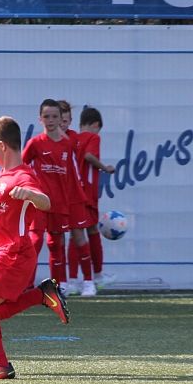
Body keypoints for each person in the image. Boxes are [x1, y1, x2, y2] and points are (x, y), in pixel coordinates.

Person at [0, 116, 70, 381]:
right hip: (5, 254)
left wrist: (30, 194)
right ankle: (41, 294)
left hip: (14, 254)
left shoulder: (22, 176)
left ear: (2, 145)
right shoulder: (2, 177)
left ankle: (0, 366)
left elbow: (45, 202)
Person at [22, 99, 74, 295]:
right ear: (40, 119)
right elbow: (20, 167)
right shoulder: (35, 144)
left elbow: (71, 175)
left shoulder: (68, 145)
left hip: (59, 202)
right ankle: (26, 285)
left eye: (54, 116)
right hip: (39, 201)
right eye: (46, 116)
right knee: (35, 242)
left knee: (56, 243)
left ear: (61, 119)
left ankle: (58, 286)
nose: (50, 120)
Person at [58, 100, 99, 296]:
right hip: (57, 197)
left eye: (65, 120)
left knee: (78, 236)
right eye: (58, 119)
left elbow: (83, 158)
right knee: (56, 240)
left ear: (70, 121)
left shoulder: (74, 138)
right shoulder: (41, 142)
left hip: (74, 195)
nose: (61, 124)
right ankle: (65, 282)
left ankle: (88, 281)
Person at [75, 106, 117, 290]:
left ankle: (72, 279)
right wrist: (105, 168)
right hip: (87, 192)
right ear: (96, 125)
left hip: (75, 191)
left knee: (76, 234)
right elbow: (89, 155)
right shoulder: (93, 138)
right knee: (90, 232)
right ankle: (97, 275)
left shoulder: (74, 139)